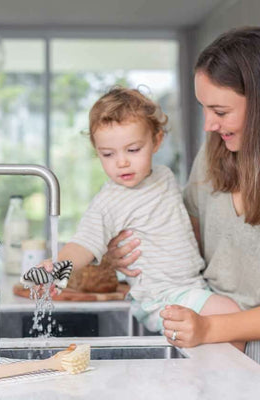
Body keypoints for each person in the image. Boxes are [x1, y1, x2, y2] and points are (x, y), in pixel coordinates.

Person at [37, 86, 244, 349]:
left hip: (192, 286)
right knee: (229, 316)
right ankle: (233, 389)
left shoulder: (164, 176)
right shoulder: (108, 202)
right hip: (160, 296)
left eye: (133, 150)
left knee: (213, 345)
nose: (121, 162)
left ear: (156, 141)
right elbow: (84, 243)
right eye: (108, 154)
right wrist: (59, 264)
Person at [104, 27, 260, 361]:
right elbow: (184, 234)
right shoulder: (215, 153)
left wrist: (211, 328)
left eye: (220, 112)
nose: (208, 125)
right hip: (211, 334)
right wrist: (125, 254)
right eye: (204, 108)